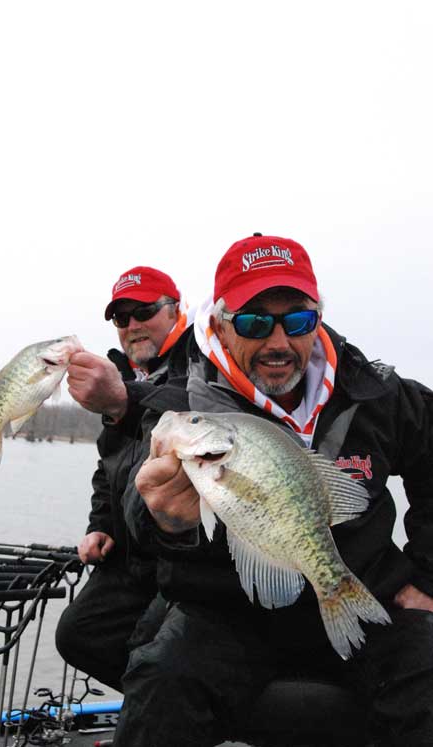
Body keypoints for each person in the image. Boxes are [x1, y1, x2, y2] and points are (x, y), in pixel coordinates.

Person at [113, 234, 433, 746]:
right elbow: (134, 510)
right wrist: (166, 522)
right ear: (219, 323)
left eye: (299, 320)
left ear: (318, 319)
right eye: (255, 322)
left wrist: (428, 575)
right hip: (228, 614)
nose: (279, 342)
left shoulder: (377, 391)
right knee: (160, 682)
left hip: (369, 591)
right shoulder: (179, 403)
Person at [55, 266, 193, 691]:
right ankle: (166, 710)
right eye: (121, 318)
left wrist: (123, 399)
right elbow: (108, 465)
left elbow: (186, 411)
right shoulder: (123, 373)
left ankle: (180, 712)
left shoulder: (203, 362)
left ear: (174, 310)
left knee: (155, 653)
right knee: (77, 634)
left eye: (145, 311)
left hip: (184, 561)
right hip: (128, 560)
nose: (132, 325)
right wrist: (100, 526)